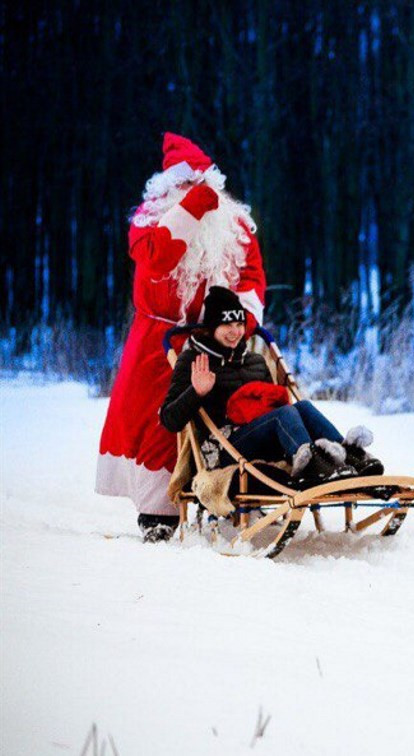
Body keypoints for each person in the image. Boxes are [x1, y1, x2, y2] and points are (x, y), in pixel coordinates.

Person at [96, 133, 267, 542]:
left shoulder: (234, 225)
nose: (202, 195)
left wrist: (237, 323)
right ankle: (158, 509)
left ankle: (244, 488)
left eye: (205, 186)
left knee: (238, 408)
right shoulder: (148, 222)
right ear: (171, 189)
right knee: (159, 423)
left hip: (223, 337)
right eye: (190, 188)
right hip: (161, 339)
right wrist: (191, 209)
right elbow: (158, 258)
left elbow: (252, 280)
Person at [159, 287, 383, 507]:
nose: (235, 331)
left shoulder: (255, 361)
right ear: (211, 327)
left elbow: (271, 409)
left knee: (302, 406)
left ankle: (350, 457)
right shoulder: (193, 361)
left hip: (260, 441)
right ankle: (312, 467)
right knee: (282, 415)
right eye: (226, 324)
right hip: (222, 450)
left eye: (239, 324)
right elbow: (169, 420)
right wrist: (196, 392)